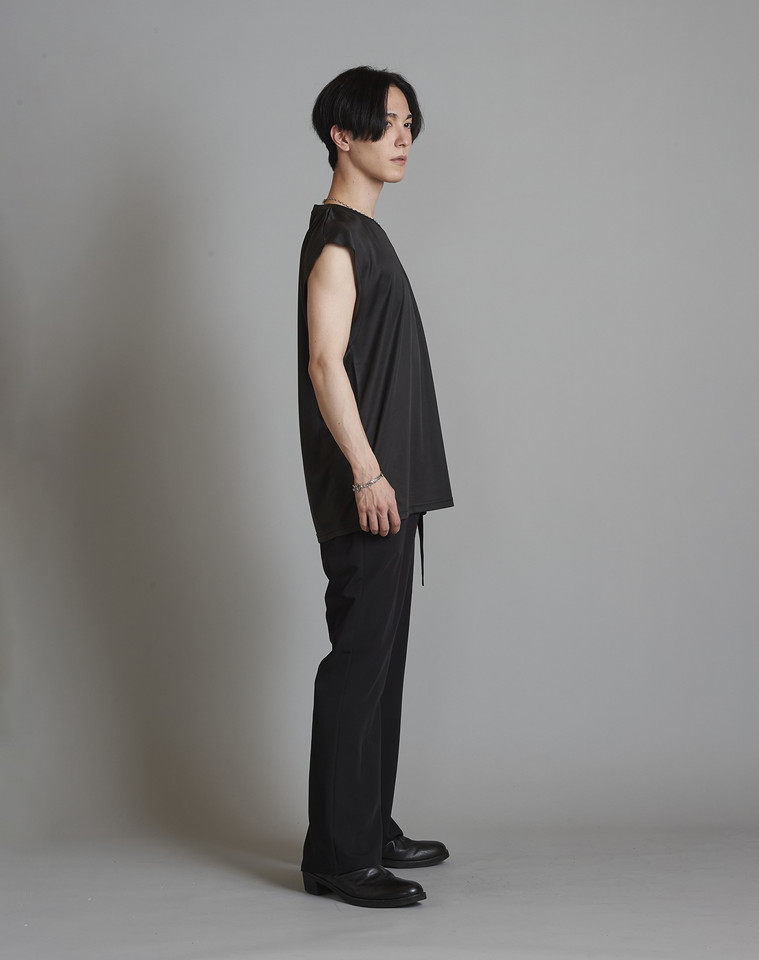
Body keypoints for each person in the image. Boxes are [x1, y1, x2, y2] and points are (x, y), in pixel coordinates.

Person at [297, 65, 454, 908]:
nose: (403, 138)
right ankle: (337, 857)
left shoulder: (367, 234)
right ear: (341, 135)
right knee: (358, 667)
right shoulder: (336, 241)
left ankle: (369, 827)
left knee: (383, 666)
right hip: (369, 488)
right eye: (387, 123)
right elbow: (326, 365)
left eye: (409, 124)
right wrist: (366, 471)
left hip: (392, 488)